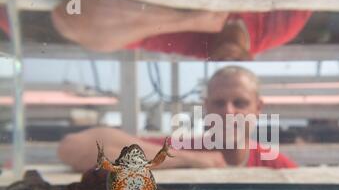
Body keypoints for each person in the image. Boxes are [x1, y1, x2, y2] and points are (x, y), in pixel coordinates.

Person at [58, 66, 298, 172]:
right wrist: (191, 160)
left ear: (258, 108)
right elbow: (73, 149)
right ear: (205, 108)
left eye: (240, 103)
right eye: (218, 103)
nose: (228, 112)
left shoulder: (275, 164)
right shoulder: (182, 149)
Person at [50, 0, 312, 60]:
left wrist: (189, 19)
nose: (227, 62)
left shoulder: (190, 42)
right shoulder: (280, 27)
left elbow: (70, 15)